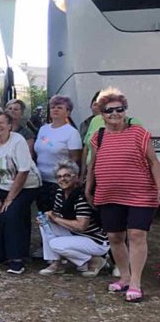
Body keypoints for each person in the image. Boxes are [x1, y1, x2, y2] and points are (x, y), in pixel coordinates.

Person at [86, 89, 160, 303]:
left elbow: (154, 162)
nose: (115, 114)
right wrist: (89, 187)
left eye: (120, 109)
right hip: (109, 194)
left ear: (125, 111)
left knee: (137, 235)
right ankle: (125, 277)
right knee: (115, 237)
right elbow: (93, 165)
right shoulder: (97, 136)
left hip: (141, 193)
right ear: (102, 114)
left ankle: (136, 283)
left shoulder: (139, 133)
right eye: (109, 110)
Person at [0, 111, 40, 274]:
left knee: (11, 214)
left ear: (9, 126)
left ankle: (16, 259)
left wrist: (9, 199)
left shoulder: (18, 141)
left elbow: (23, 170)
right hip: (2, 186)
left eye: (1, 123)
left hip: (27, 186)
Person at [38, 160, 109, 277]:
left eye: (67, 175)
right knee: (45, 223)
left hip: (95, 240)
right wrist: (48, 217)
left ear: (76, 177)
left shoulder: (81, 196)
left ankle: (94, 260)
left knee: (55, 244)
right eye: (59, 177)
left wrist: (55, 218)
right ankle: (56, 263)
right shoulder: (60, 193)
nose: (62, 179)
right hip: (77, 235)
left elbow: (81, 226)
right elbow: (56, 215)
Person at [33, 95, 82, 213]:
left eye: (59, 107)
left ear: (68, 112)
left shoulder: (72, 132)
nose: (55, 110)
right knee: (43, 215)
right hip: (40, 180)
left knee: (58, 216)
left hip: (60, 182)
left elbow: (75, 158)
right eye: (52, 107)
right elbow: (46, 147)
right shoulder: (43, 129)